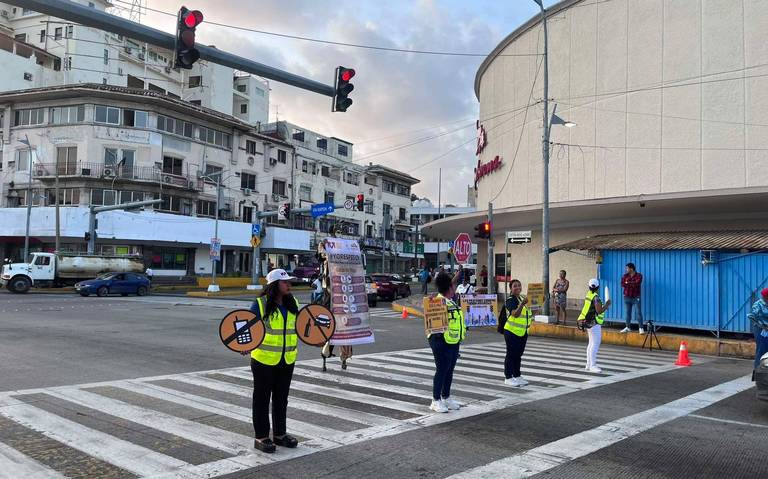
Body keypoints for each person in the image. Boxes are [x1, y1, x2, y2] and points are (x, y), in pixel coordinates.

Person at [247, 268, 300, 453]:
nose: (289, 285)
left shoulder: (293, 303)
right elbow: (248, 328)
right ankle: (261, 436)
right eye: (285, 282)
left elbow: (302, 328)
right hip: (263, 360)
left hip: (286, 358)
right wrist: (243, 345)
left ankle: (280, 434)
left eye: (289, 282)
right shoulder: (260, 304)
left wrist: (317, 340)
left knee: (281, 399)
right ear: (274, 285)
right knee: (261, 399)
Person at [428, 270, 465, 413]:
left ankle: (446, 397)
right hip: (440, 341)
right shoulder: (437, 302)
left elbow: (452, 281)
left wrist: (458, 273)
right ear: (449, 288)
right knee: (442, 370)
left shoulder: (451, 301)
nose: (454, 288)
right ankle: (435, 400)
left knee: (449, 370)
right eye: (452, 286)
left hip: (453, 341)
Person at [498, 279, 533, 387]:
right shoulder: (510, 300)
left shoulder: (522, 298)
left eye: (519, 285)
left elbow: (531, 312)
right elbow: (515, 314)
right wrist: (522, 304)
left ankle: (517, 375)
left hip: (522, 332)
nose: (517, 287)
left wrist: (541, 301)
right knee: (511, 354)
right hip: (511, 332)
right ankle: (508, 377)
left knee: (518, 355)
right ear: (511, 289)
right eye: (515, 286)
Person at [577, 278, 612, 373]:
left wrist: (603, 306)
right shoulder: (596, 297)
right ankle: (592, 365)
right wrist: (607, 305)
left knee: (591, 343)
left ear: (589, 287)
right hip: (593, 322)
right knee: (595, 343)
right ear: (598, 287)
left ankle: (588, 364)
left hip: (586, 321)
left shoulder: (589, 295)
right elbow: (599, 311)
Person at [748, 288, 768, 376]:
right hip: (761, 329)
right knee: (761, 350)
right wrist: (762, 325)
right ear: (765, 296)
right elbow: (752, 316)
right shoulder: (758, 304)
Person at [620, 262, 644, 334]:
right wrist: (629, 283)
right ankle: (627, 327)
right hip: (627, 296)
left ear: (631, 268)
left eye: (627, 268)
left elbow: (637, 283)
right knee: (628, 313)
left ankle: (641, 328)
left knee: (638, 312)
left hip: (636, 297)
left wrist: (628, 283)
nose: (626, 269)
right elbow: (622, 284)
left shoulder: (639, 275)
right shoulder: (625, 276)